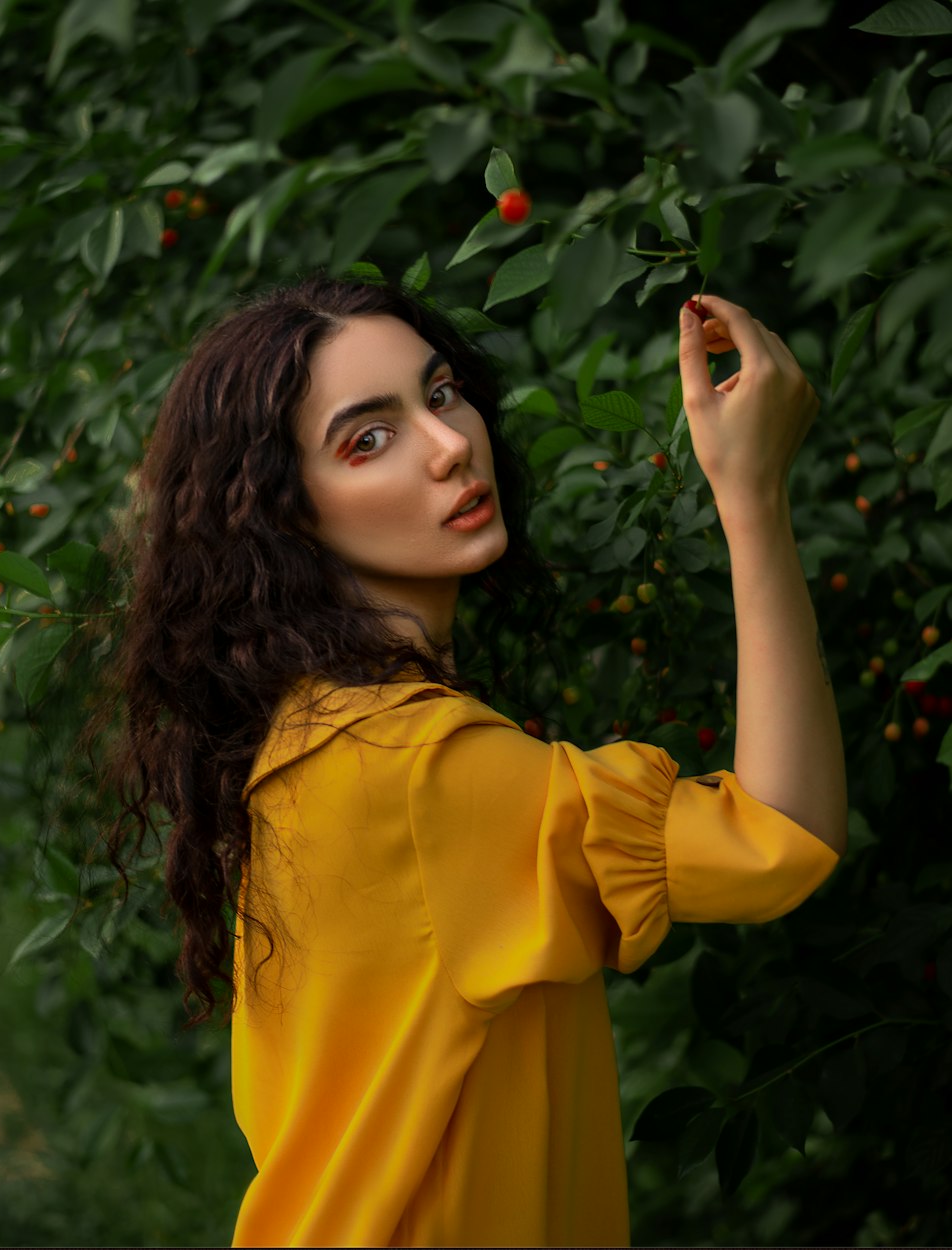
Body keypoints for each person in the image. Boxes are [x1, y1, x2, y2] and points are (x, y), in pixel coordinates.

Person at [105, 275, 846, 1248]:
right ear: (283, 516)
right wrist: (749, 494)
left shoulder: (316, 734)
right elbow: (780, 836)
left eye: (441, 392)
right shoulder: (417, 769)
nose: (450, 443)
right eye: (368, 438)